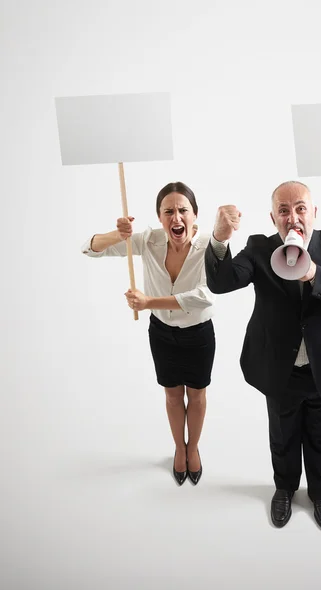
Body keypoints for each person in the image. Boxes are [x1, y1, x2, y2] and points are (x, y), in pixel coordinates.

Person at [205, 180, 321, 531]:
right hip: (280, 369)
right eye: (283, 210)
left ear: (313, 213)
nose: (292, 217)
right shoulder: (260, 248)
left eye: (300, 208)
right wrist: (219, 239)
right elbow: (220, 283)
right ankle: (284, 489)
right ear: (273, 217)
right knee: (283, 437)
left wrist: (314, 274)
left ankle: (320, 493)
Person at [81, 182, 216, 487]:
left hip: (199, 334)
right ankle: (178, 449)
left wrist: (149, 302)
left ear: (195, 215)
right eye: (168, 211)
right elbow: (90, 249)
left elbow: (206, 296)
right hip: (162, 333)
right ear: (159, 217)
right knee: (171, 394)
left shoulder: (210, 245)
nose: (176, 217)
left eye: (183, 210)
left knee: (196, 394)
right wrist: (119, 235)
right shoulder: (148, 241)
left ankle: (192, 448)